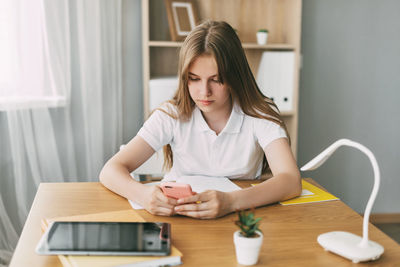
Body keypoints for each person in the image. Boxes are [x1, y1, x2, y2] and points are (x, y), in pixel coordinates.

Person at [99, 20, 301, 219]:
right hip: (177, 218)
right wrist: (143, 195)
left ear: (234, 76)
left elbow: (290, 180)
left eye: (216, 79)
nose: (204, 92)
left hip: (237, 219)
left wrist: (231, 201)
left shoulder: (258, 115)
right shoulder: (171, 114)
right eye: (194, 79)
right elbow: (110, 171)